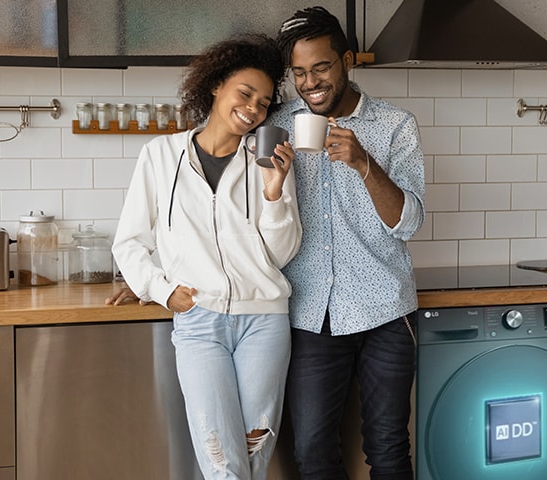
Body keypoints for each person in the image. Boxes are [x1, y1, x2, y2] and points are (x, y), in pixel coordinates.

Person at [111, 34, 301, 480]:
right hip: (200, 323)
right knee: (221, 459)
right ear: (216, 86)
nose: (254, 109)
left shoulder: (267, 159)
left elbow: (281, 252)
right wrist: (161, 290)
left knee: (254, 454)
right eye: (245, 93)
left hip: (265, 322)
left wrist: (275, 192)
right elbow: (130, 241)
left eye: (264, 102)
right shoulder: (161, 156)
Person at [271, 6, 425, 480]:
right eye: (299, 72)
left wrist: (364, 163)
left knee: (388, 447)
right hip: (311, 313)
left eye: (321, 67)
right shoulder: (277, 123)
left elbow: (410, 222)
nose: (310, 82)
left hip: (385, 310)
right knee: (313, 450)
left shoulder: (395, 125)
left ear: (348, 61)